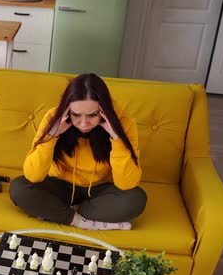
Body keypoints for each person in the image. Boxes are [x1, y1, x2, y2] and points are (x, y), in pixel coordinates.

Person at [9, 73, 147, 230]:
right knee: (19, 188)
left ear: (104, 110)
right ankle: (80, 221)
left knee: (136, 199)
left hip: (100, 191)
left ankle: (59, 211)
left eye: (92, 115)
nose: (83, 123)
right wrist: (52, 135)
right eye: (76, 114)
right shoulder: (54, 118)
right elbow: (33, 175)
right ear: (68, 109)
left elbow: (126, 183)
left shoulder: (124, 123)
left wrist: (116, 137)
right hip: (61, 185)